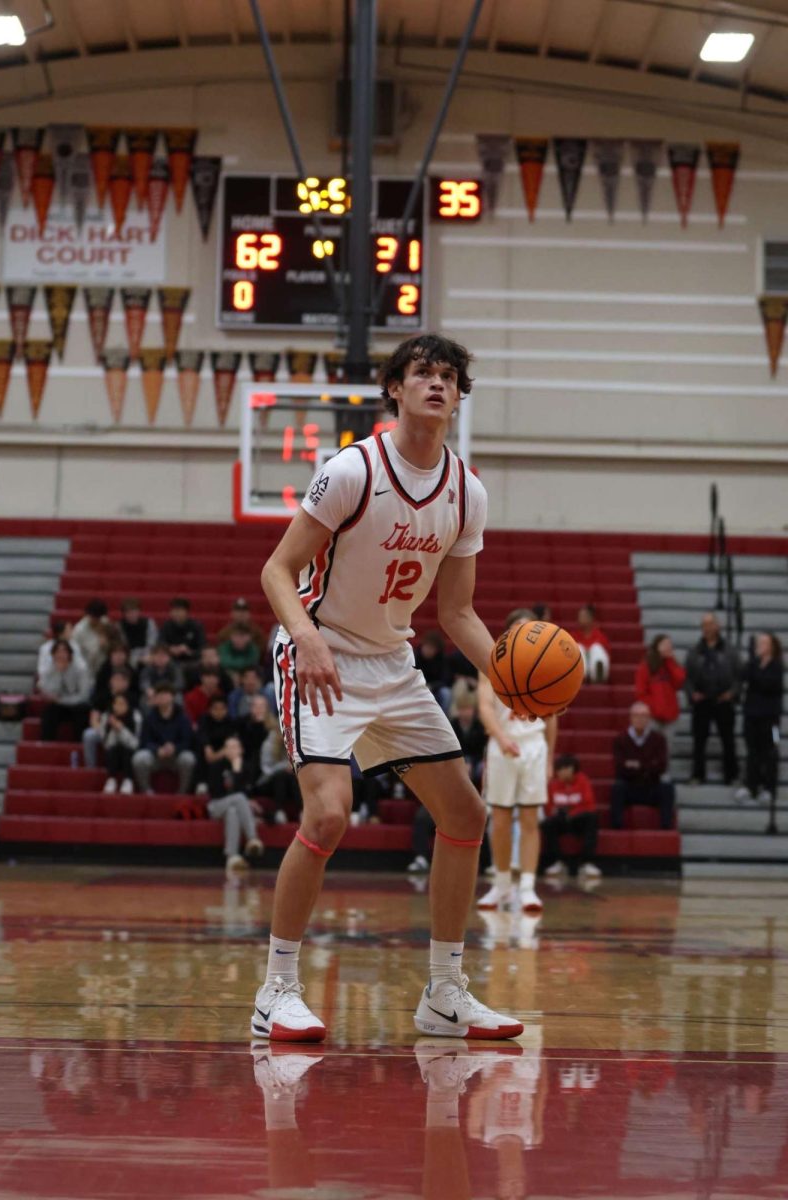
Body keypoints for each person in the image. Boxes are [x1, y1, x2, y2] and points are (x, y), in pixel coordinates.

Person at [251, 332, 525, 1043]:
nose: (437, 383)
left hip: (392, 665)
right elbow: (278, 571)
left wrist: (507, 672)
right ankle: (276, 990)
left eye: (449, 376)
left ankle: (445, 994)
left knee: (465, 815)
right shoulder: (352, 470)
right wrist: (306, 638)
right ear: (395, 390)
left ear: (461, 397)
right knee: (329, 816)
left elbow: (456, 612)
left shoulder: (467, 492)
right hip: (322, 654)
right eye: (422, 373)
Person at [476, 608, 557, 914]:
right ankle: (500, 885)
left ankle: (527, 888)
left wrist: (549, 758)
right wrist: (499, 736)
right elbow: (484, 706)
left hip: (533, 745)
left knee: (529, 820)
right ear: (508, 633)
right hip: (502, 745)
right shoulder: (492, 662)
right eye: (519, 629)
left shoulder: (547, 665)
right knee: (498, 820)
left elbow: (551, 718)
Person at [685, 613, 740, 785]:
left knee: (728, 739)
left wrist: (732, 693)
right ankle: (697, 774)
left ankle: (731, 775)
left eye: (711, 624)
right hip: (702, 700)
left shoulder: (730, 650)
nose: (708, 627)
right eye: (704, 624)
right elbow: (687, 678)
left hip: (723, 699)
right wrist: (692, 693)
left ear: (718, 626)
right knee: (699, 740)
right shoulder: (694, 651)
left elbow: (740, 675)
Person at [610, 701, 675, 830]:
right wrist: (648, 766)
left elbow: (662, 766)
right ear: (630, 718)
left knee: (667, 788)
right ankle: (617, 826)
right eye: (636, 716)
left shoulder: (659, 739)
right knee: (617, 788)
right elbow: (620, 767)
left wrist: (635, 765)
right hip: (629, 786)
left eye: (644, 716)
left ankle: (666, 827)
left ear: (649, 719)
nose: (640, 719)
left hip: (651, 786)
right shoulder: (620, 739)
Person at [736, 633, 784, 805]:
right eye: (758, 643)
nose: (759, 645)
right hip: (752, 715)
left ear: (771, 646)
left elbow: (766, 684)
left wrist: (754, 674)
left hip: (772, 719)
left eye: (763, 643)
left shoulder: (777, 666)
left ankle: (769, 787)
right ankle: (751, 785)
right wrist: (751, 660)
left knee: (771, 751)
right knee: (752, 751)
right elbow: (742, 676)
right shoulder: (753, 663)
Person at [205, 735, 264, 873]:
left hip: (233, 806)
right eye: (228, 747)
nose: (231, 750)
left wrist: (238, 772)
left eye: (234, 747)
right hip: (216, 805)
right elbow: (216, 793)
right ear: (224, 750)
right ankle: (252, 838)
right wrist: (235, 773)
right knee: (238, 798)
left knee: (233, 812)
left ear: (241, 750)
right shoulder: (216, 766)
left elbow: (248, 792)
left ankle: (232, 857)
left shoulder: (247, 767)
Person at [541, 754, 600, 878]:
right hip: (561, 820)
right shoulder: (553, 784)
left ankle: (587, 863)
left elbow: (589, 805)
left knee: (592, 819)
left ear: (570, 769)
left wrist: (571, 813)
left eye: (561, 770)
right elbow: (549, 807)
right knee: (547, 824)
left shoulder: (583, 781)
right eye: (557, 770)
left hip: (578, 820)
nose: (558, 773)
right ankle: (558, 862)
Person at [132, 682, 197, 794]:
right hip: (156, 756)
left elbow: (188, 741)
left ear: (173, 697)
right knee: (139, 758)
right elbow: (144, 741)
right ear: (155, 698)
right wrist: (157, 749)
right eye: (160, 695)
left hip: (176, 756)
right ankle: (147, 791)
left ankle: (182, 792)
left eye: (166, 694)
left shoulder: (183, 718)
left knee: (189, 758)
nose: (163, 697)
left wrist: (175, 748)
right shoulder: (149, 718)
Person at [635, 634, 686, 755]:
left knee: (666, 750)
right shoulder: (646, 666)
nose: (668, 647)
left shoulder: (672, 664)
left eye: (669, 645)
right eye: (665, 644)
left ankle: (665, 773)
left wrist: (670, 661)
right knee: (650, 749)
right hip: (653, 716)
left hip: (670, 717)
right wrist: (654, 708)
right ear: (657, 646)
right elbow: (640, 692)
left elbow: (680, 681)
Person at [38, 639, 92, 741]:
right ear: (53, 655)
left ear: (70, 654)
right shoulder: (48, 669)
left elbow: (84, 695)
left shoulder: (81, 668)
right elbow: (47, 691)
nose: (61, 655)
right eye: (57, 652)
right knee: (49, 712)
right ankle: (47, 746)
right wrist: (58, 673)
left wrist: (61, 700)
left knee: (82, 711)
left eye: (64, 651)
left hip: (77, 704)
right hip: (60, 705)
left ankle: (78, 746)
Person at [82, 667, 135, 768]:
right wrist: (103, 730)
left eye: (122, 680)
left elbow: (136, 721)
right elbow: (94, 718)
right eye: (116, 679)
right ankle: (90, 768)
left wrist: (120, 728)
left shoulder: (133, 698)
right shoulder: (102, 696)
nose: (118, 682)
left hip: (126, 731)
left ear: (127, 683)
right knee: (88, 735)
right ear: (110, 681)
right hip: (105, 728)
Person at [99, 693, 142, 794]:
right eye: (116, 704)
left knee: (127, 751)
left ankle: (128, 780)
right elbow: (106, 744)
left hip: (129, 751)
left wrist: (121, 729)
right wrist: (114, 729)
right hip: (113, 752)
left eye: (122, 704)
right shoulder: (106, 716)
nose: (119, 707)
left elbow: (135, 744)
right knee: (112, 750)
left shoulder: (136, 716)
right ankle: (111, 779)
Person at [159, 597, 205, 682]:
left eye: (179, 611)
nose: (176, 613)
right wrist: (170, 649)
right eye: (173, 611)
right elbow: (161, 643)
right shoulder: (166, 626)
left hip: (191, 660)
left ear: (186, 612)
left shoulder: (196, 626)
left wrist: (189, 651)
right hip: (171, 659)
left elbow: (202, 648)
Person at [72, 598, 115, 680]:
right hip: (86, 670)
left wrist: (106, 644)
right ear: (88, 615)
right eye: (94, 619)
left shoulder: (105, 622)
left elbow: (113, 647)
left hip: (105, 668)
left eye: (99, 619)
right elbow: (75, 655)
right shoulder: (78, 631)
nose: (97, 621)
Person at [414, 630, 453, 713]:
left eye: (431, 648)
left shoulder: (442, 660)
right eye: (426, 646)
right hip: (417, 688)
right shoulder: (414, 657)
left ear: (437, 650)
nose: (427, 650)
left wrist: (432, 686)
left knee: (446, 693)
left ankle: (444, 720)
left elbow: (445, 680)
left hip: (435, 690)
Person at [118, 597, 159, 669]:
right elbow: (122, 645)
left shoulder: (149, 623)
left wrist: (147, 656)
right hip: (128, 656)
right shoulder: (119, 626)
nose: (132, 615)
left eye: (134, 611)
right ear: (124, 614)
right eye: (128, 612)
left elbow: (152, 643)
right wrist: (136, 658)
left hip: (147, 654)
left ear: (139, 611)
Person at [574, 604, 611, 683]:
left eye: (584, 616)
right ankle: (581, 675)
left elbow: (607, 652)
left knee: (597, 648)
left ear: (591, 618)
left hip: (594, 662)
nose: (581, 619)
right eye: (580, 616)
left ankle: (597, 675)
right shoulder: (574, 635)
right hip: (582, 666)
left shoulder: (599, 635)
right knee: (578, 648)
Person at [138, 642, 180, 707]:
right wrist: (149, 690)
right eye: (157, 655)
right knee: (144, 700)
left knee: (178, 698)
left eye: (163, 655)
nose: (160, 658)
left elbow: (179, 683)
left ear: (169, 657)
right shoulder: (147, 669)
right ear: (152, 657)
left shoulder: (174, 667)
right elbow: (144, 682)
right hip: (154, 693)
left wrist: (167, 692)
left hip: (170, 692)